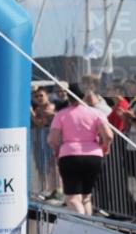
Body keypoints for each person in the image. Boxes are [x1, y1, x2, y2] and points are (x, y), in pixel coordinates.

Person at [47, 81, 113, 215]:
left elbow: (52, 139)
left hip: (69, 156)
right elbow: (109, 135)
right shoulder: (97, 113)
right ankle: (89, 227)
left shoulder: (61, 114)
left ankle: (83, 225)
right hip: (93, 156)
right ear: (84, 96)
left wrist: (56, 150)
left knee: (72, 199)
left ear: (68, 96)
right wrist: (106, 147)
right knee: (86, 197)